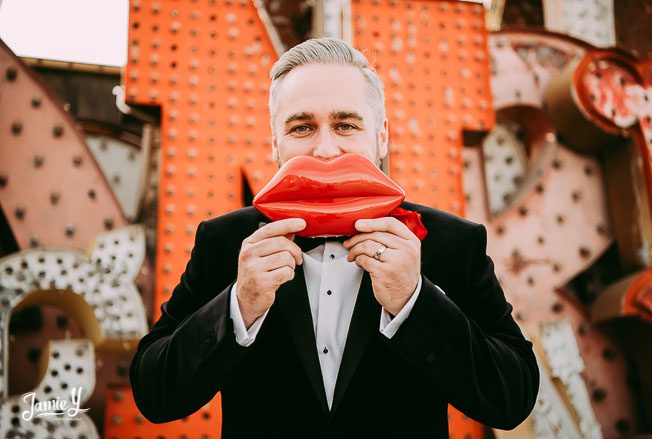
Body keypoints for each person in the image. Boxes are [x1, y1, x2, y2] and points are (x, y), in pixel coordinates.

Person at [129, 37, 540, 438]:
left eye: (346, 125)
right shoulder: (225, 241)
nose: (326, 149)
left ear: (381, 137)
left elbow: (513, 397)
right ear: (276, 143)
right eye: (302, 127)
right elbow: (154, 392)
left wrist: (414, 303)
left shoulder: (451, 242)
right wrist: (239, 306)